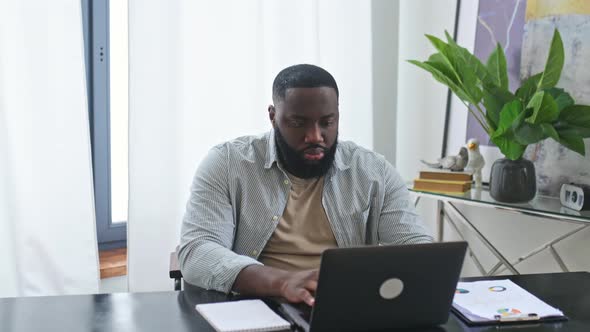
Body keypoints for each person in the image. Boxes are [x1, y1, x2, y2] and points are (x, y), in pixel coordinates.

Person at [178, 64, 432, 306]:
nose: (315, 136)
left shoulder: (373, 171)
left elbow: (417, 248)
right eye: (299, 123)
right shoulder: (228, 163)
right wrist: (283, 281)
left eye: (327, 122)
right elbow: (198, 250)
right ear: (273, 116)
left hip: (346, 307)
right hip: (254, 304)